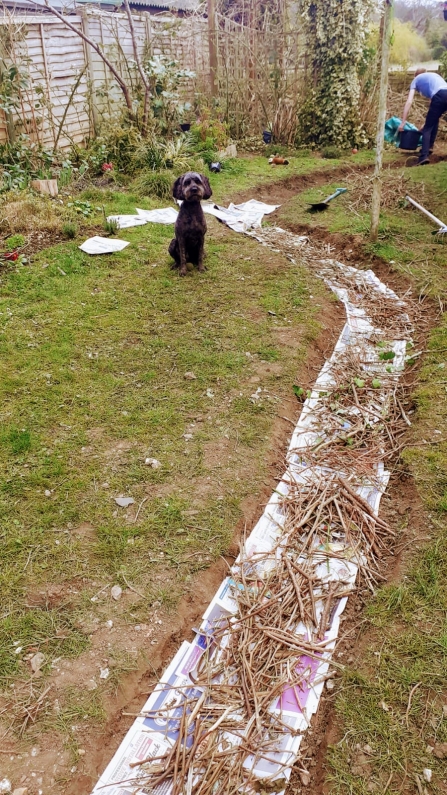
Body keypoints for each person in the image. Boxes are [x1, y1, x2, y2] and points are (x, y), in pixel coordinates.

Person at [398, 68, 447, 165]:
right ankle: (429, 148)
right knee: (433, 122)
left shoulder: (415, 80)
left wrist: (403, 122)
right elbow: (433, 111)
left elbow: (409, 102)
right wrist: (426, 123)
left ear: (416, 75)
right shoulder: (433, 76)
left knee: (427, 129)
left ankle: (423, 157)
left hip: (439, 96)